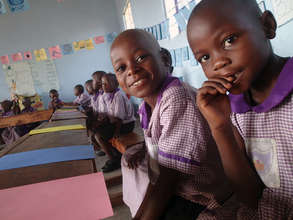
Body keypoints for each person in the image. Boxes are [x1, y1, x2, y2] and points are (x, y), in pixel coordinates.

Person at [110, 29, 232, 220]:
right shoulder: (146, 105)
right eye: (121, 68)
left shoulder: (176, 97)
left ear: (165, 59)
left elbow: (167, 180)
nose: (132, 70)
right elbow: (157, 146)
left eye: (141, 58)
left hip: (200, 198)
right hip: (178, 190)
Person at [187, 0, 293, 219]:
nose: (218, 63)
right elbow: (248, 196)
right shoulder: (235, 109)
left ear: (268, 26)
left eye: (229, 40)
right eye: (205, 57)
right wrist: (220, 127)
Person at [94, 73, 136, 173]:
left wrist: (116, 133)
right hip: (116, 123)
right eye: (102, 83)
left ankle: (114, 159)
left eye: (106, 83)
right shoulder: (108, 95)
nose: (103, 86)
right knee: (97, 130)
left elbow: (119, 118)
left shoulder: (118, 95)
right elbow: (108, 113)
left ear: (116, 84)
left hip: (125, 125)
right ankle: (115, 154)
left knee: (99, 135)